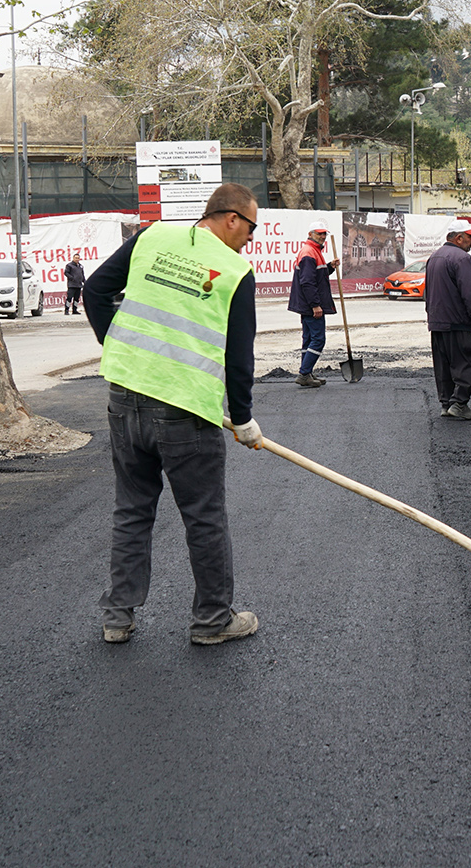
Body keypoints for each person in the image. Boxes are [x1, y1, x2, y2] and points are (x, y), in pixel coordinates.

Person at [84, 183, 265, 646]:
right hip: (185, 411)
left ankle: (116, 618)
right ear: (230, 219)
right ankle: (212, 621)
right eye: (251, 227)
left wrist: (118, 346)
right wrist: (243, 419)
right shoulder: (235, 269)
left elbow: (95, 290)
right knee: (204, 517)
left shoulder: (152, 236)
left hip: (125, 397)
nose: (251, 238)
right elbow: (238, 358)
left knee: (132, 510)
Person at [424, 226, 471, 420]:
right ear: (459, 238)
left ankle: (446, 404)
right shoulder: (462, 259)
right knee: (468, 362)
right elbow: (470, 292)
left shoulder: (434, 257)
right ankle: (459, 403)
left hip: (438, 322)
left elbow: (428, 292)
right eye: (470, 237)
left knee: (443, 365)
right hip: (459, 322)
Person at [288, 220, 337, 388]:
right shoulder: (309, 252)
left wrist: (330, 267)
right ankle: (304, 373)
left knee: (308, 339)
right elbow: (307, 282)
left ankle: (307, 372)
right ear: (310, 234)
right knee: (318, 340)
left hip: (305, 304)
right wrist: (316, 305)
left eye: (324, 234)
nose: (322, 236)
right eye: (319, 233)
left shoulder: (312, 251)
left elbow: (317, 276)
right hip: (310, 305)